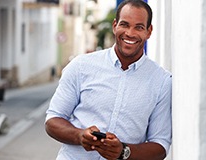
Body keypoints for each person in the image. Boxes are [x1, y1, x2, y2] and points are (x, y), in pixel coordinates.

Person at [45, 0, 172, 159]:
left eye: (139, 27)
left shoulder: (162, 81)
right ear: (114, 26)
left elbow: (160, 145)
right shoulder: (80, 66)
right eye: (124, 24)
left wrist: (123, 151)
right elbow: (53, 121)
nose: (130, 33)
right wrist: (80, 135)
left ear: (149, 31)